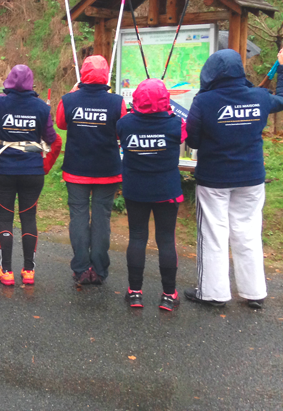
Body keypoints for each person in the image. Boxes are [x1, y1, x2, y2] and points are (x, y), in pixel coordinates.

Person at [184, 48, 283, 309]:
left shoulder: (203, 102)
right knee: (248, 232)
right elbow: (281, 99)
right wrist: (281, 68)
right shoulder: (260, 97)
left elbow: (192, 139)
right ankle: (254, 292)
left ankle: (213, 293)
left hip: (214, 178)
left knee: (213, 234)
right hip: (251, 178)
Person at [0, 65, 61, 286]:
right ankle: (28, 271)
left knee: (5, 217)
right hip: (32, 170)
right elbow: (51, 137)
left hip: (3, 170)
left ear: (8, 82)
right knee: (29, 218)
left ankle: (6, 271)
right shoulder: (42, 108)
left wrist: (8, 95)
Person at [56, 55, 127, 286]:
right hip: (107, 170)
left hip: (76, 169)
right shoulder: (117, 102)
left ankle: (81, 268)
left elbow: (61, 123)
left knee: (78, 216)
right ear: (106, 74)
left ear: (83, 74)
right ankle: (99, 269)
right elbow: (121, 131)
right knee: (101, 218)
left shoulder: (69, 100)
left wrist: (73, 92)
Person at [116, 79, 185, 310]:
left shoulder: (125, 124)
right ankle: (168, 295)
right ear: (165, 100)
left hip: (135, 189)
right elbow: (187, 134)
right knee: (166, 240)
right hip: (167, 190)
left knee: (137, 237)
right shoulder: (175, 124)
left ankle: (135, 292)